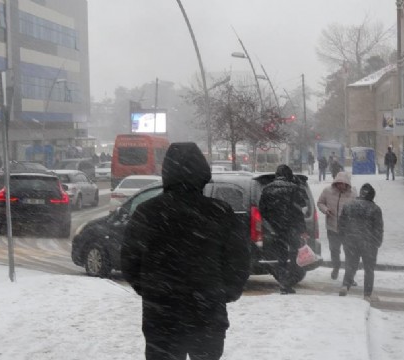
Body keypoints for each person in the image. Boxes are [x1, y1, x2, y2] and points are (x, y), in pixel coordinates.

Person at [121, 142, 250, 360]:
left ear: (166, 172)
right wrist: (223, 292)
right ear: (203, 172)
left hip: (162, 315)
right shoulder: (220, 212)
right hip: (207, 312)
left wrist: (151, 289)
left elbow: (129, 261)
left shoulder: (147, 212)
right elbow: (239, 261)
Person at [259, 164, 308, 294]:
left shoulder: (267, 189)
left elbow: (262, 209)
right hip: (292, 227)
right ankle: (290, 280)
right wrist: (302, 228)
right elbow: (301, 207)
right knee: (294, 255)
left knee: (281, 256)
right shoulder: (294, 188)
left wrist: (271, 222)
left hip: (275, 227)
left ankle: (283, 282)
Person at [338, 183, 383, 301]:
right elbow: (378, 228)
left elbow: (341, 224)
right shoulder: (375, 209)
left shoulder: (348, 205)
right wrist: (377, 242)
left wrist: (343, 239)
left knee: (350, 265)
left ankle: (345, 286)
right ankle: (367, 294)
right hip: (369, 243)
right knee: (369, 269)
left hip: (350, 241)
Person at [317, 172, 357, 280]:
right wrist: (325, 210)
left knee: (349, 253)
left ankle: (349, 278)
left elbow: (357, 208)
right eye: (338, 183)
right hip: (332, 227)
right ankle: (336, 266)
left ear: (347, 184)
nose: (340, 186)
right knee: (334, 250)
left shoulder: (353, 194)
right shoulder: (327, 191)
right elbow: (320, 202)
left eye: (342, 184)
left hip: (347, 229)